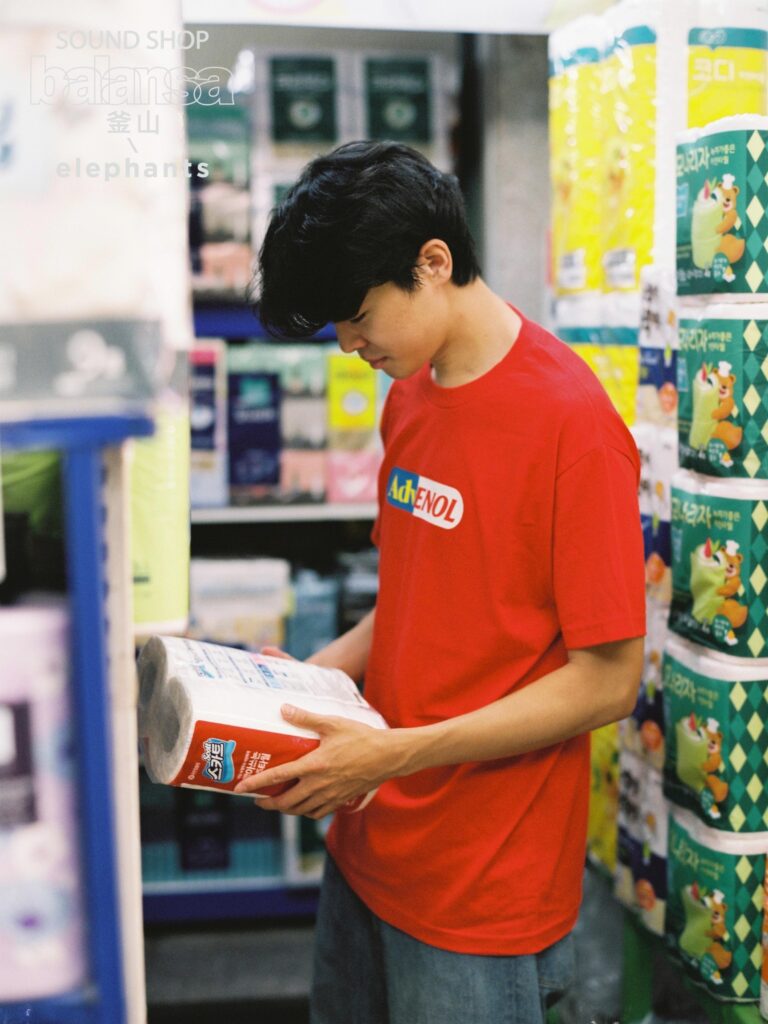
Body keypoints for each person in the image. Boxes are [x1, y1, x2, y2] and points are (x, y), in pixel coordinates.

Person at [236, 140, 646, 1024]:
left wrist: (395, 753)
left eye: (358, 317)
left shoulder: (573, 425)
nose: (350, 346)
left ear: (432, 263)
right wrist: (302, 682)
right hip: (368, 843)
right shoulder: (410, 395)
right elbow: (416, 597)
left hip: (482, 888)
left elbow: (608, 681)